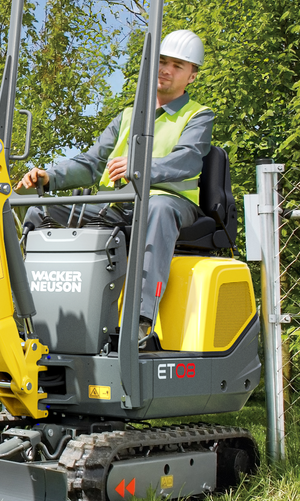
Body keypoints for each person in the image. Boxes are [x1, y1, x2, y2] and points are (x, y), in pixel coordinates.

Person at [14, 30, 213, 347]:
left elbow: (188, 160)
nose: (166, 69)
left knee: (157, 209)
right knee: (41, 211)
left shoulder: (198, 116)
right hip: (117, 204)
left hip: (168, 203)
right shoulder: (128, 116)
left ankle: (141, 319)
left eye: (177, 65)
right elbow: (91, 163)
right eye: (162, 61)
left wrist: (141, 169)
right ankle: (25, 314)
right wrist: (49, 176)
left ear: (192, 76)